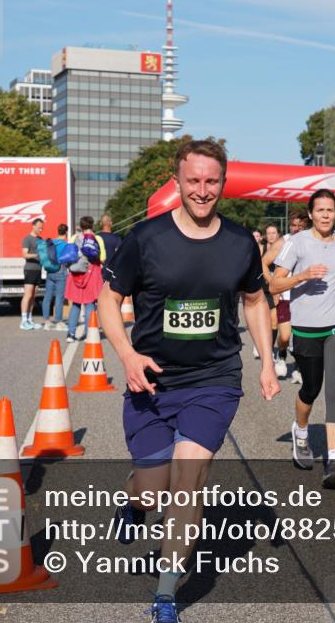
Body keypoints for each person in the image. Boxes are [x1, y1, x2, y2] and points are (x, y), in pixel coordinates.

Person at [98, 139, 279, 622]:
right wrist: (127, 354)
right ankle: (134, 505)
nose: (203, 190)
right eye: (193, 180)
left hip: (214, 380)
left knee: (187, 484)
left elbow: (256, 300)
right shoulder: (145, 239)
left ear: (224, 182)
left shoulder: (241, 242)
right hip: (151, 383)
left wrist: (266, 360)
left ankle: (164, 595)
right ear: (177, 181)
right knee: (153, 489)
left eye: (212, 181)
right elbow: (107, 300)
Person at [270, 189, 335, 489]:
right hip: (307, 327)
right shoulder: (296, 243)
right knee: (311, 388)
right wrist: (301, 276)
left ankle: (333, 460)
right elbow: (275, 284)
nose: (325, 215)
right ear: (311, 213)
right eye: (320, 210)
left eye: (330, 210)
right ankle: (301, 431)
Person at [263, 212, 309, 384]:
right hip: (285, 295)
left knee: (302, 338)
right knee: (284, 336)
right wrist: (273, 286)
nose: (297, 229)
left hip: (305, 297)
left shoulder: (312, 241)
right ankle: (281, 355)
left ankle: (298, 368)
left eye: (301, 226)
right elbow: (264, 262)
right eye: (294, 225)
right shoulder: (284, 241)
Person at [65, 216, 103, 343]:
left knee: (76, 304)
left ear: (80, 226)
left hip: (76, 273)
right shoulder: (97, 238)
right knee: (90, 304)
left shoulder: (74, 238)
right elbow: (103, 258)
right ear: (92, 225)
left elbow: (68, 255)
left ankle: (70, 334)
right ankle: (89, 334)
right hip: (91, 273)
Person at [252, 223, 281, 361]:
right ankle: (258, 343)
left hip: (276, 289)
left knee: (274, 320)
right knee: (262, 318)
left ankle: (269, 349)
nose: (271, 236)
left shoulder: (283, 250)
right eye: (268, 233)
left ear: (278, 235)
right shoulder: (260, 248)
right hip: (261, 288)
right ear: (265, 236)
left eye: (273, 233)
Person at [42, 223, 69, 332]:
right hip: (60, 270)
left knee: (47, 296)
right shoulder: (65, 245)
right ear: (66, 233)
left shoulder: (51, 242)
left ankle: (46, 322)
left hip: (50, 271)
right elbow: (68, 259)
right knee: (59, 297)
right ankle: (58, 322)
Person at [20, 218, 45, 330]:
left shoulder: (41, 239)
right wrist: (36, 255)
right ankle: (23, 320)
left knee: (34, 296)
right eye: (39, 227)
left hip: (38, 270)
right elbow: (24, 254)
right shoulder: (27, 239)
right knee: (28, 295)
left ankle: (30, 319)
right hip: (30, 270)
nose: (41, 229)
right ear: (33, 226)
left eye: (42, 227)